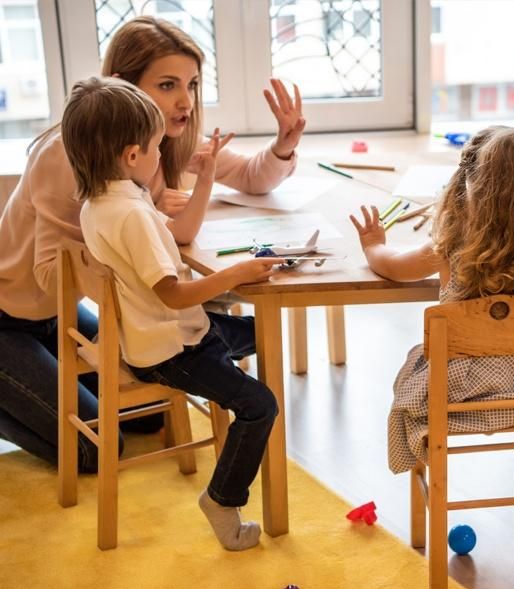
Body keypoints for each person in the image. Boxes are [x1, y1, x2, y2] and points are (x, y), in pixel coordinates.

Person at [0, 16, 304, 472]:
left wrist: (283, 145)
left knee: (149, 417)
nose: (184, 101)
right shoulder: (70, 153)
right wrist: (132, 241)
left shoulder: (152, 139)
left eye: (192, 84)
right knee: (95, 449)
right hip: (12, 315)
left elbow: (247, 176)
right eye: (167, 85)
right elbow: (51, 274)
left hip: (55, 314)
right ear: (121, 87)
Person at [63, 76, 282, 551]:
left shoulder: (104, 201)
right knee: (259, 404)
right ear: (131, 155)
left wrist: (204, 179)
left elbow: (180, 231)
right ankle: (223, 499)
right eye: (157, 146)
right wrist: (236, 274)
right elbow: (174, 295)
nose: (163, 154)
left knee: (264, 335)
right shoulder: (131, 214)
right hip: (171, 348)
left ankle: (235, 484)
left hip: (170, 334)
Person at [350, 126, 514, 474]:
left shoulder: (452, 248)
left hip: (455, 399)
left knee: (409, 375)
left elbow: (393, 267)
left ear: (474, 189)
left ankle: (421, 469)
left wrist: (373, 244)